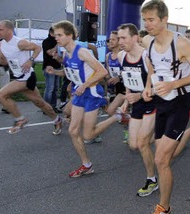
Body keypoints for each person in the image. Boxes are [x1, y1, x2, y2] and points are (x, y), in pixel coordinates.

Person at [139, 0, 190, 214]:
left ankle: (163, 210)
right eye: (145, 20)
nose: (147, 24)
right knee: (165, 156)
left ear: (164, 19)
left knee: (161, 160)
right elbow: (153, 73)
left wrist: (174, 84)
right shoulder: (147, 46)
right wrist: (147, 88)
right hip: (161, 101)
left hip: (180, 101)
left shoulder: (181, 43)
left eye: (151, 20)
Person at [45, 20, 125, 177]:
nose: (57, 38)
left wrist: (85, 85)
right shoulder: (66, 53)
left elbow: (101, 71)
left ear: (70, 35)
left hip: (92, 92)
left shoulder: (82, 52)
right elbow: (70, 74)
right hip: (79, 93)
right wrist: (55, 72)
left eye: (60, 35)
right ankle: (86, 165)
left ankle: (117, 116)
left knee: (88, 135)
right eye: (56, 36)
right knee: (73, 131)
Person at [0, 20, 63, 135]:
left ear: (9, 30)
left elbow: (37, 48)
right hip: (19, 77)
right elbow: (4, 62)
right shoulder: (2, 44)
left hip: (27, 77)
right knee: (39, 102)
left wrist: (30, 61)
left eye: (1, 29)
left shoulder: (20, 43)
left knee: (1, 95)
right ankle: (57, 120)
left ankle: (20, 120)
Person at [116, 23, 158, 196]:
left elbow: (159, 86)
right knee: (134, 144)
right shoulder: (121, 56)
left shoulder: (147, 56)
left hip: (153, 101)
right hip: (137, 103)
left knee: (142, 143)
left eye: (124, 38)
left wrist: (140, 95)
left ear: (135, 38)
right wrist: (127, 98)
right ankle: (159, 134)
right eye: (119, 38)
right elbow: (127, 78)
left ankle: (152, 180)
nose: (120, 41)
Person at [42, 27, 62, 112]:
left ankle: (53, 106)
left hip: (57, 66)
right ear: (51, 33)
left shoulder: (59, 41)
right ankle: (46, 108)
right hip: (48, 66)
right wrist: (57, 45)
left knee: (56, 88)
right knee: (49, 88)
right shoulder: (46, 41)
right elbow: (50, 52)